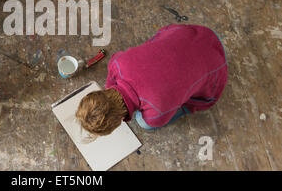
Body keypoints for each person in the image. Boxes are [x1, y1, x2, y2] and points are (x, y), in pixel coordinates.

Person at [76, 24, 228, 134]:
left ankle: (184, 108)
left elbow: (153, 110)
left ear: (119, 121)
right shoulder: (117, 64)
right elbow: (112, 78)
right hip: (195, 33)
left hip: (217, 67)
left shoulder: (156, 113)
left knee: (143, 123)